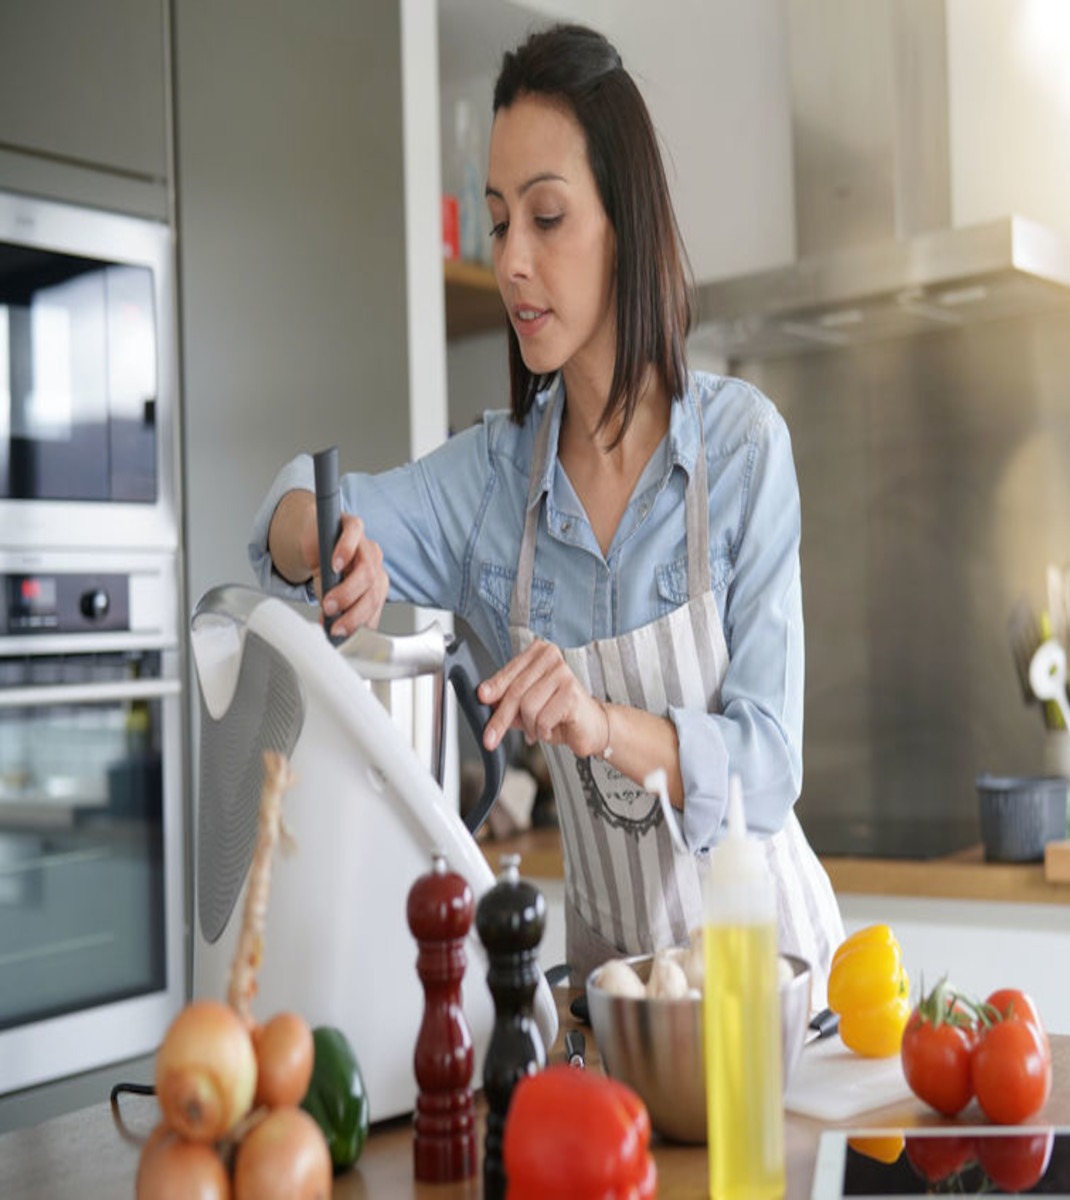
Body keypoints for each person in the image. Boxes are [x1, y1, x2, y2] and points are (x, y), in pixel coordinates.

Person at [249, 23, 844, 999]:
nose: (512, 260)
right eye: (497, 221)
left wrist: (601, 723)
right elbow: (288, 513)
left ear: (627, 222)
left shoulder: (739, 449)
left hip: (775, 1006)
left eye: (548, 217)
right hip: (619, 1026)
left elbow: (769, 773)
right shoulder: (491, 484)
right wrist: (326, 537)